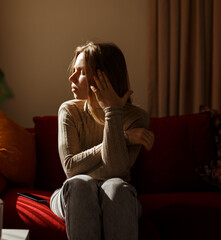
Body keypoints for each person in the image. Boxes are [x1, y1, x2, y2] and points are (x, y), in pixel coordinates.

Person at [50, 42, 154, 240]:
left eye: (80, 72)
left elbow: (115, 170)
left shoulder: (136, 117)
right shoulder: (69, 111)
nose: (71, 78)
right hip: (74, 193)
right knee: (81, 183)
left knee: (116, 187)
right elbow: (71, 168)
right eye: (73, 70)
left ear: (103, 78)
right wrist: (123, 138)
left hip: (116, 194)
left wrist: (112, 111)